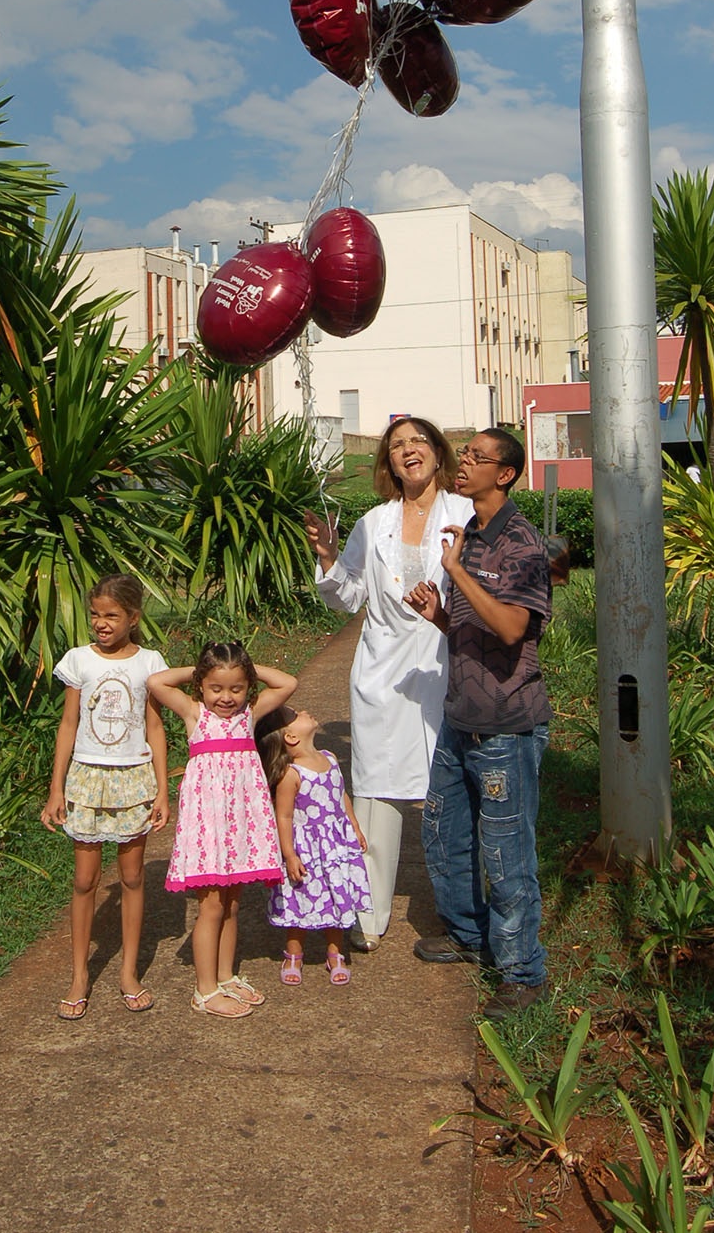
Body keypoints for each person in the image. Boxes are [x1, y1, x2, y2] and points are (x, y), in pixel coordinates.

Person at [303, 415, 472, 949]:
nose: (408, 451)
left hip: (448, 664)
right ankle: (369, 914)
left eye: (418, 440)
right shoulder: (374, 524)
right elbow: (349, 596)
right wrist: (329, 559)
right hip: (382, 672)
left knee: (455, 789)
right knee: (376, 791)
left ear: (438, 453)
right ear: (388, 465)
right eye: (397, 446)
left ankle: (461, 912)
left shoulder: (466, 514)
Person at [406, 428, 553, 1022]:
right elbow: (469, 629)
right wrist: (438, 613)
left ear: (507, 474)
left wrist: (456, 573)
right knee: (444, 834)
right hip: (461, 716)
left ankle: (522, 973)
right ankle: (467, 935)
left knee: (506, 851)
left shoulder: (522, 543)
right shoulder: (465, 540)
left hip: (507, 725)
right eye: (462, 453)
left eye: (476, 457)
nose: (461, 463)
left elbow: (514, 628)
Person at [40, 575, 169, 1021]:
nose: (101, 623)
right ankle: (79, 975)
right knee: (84, 881)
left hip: (134, 780)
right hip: (86, 780)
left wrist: (162, 790)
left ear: (134, 618)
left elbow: (155, 727)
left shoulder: (150, 662)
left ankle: (129, 973)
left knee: (132, 878)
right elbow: (68, 725)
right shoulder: (78, 661)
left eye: (111, 615)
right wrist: (56, 788)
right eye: (95, 614)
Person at [148, 644, 297, 1019]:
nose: (226, 697)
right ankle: (205, 989)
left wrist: (245, 667)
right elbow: (156, 681)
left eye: (236, 688)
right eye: (216, 688)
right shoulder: (194, 713)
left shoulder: (251, 713)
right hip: (209, 829)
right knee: (212, 906)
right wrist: (199, 671)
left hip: (241, 825)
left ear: (247, 688)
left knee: (232, 903)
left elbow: (287, 682)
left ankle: (226, 975)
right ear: (201, 686)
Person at [256, 704, 373, 986]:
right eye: (297, 716)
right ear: (291, 737)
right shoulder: (291, 773)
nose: (307, 712)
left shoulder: (330, 758)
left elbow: (341, 794)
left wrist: (354, 825)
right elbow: (283, 816)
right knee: (300, 900)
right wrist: (289, 854)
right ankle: (294, 953)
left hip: (335, 847)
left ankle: (335, 952)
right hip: (307, 850)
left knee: (336, 897)